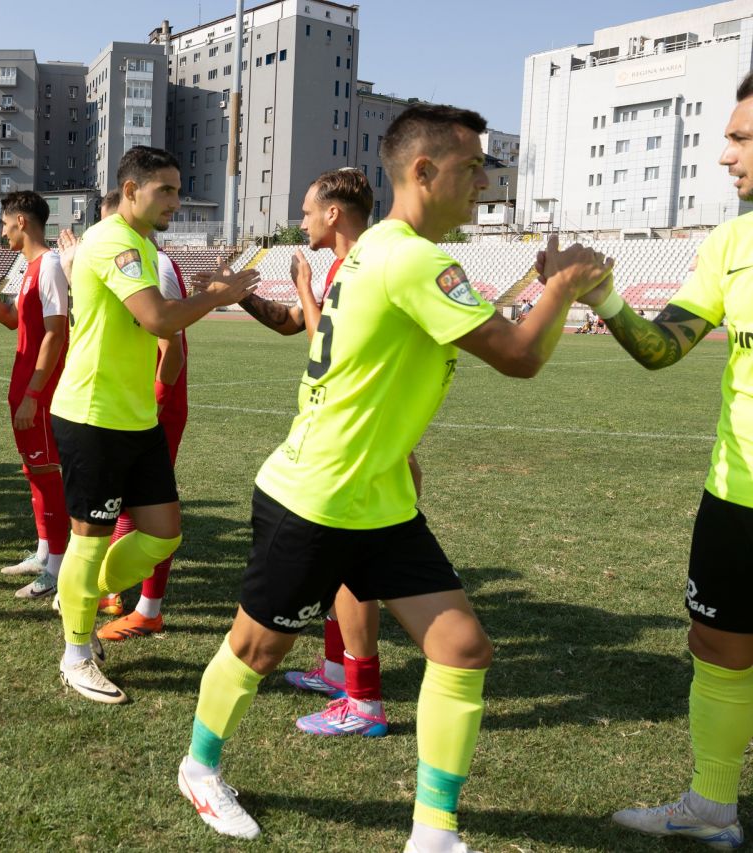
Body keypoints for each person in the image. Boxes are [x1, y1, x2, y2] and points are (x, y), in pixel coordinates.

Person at [176, 104, 613, 849]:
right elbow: (519, 355)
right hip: (315, 496)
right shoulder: (411, 256)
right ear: (423, 170)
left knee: (463, 647)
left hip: (379, 498)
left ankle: (434, 832)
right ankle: (199, 766)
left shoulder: (381, 248)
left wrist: (393, 439)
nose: (483, 180)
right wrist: (566, 284)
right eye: (473, 166)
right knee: (257, 649)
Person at [50, 145, 259, 705]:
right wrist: (218, 295)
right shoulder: (115, 240)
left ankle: (78, 598)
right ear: (130, 190)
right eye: (164, 190)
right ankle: (76, 653)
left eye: (177, 189)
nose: (175, 200)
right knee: (90, 539)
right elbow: (158, 319)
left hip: (134, 414)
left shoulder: (141, 243)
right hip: (93, 413)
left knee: (165, 532)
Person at [603, 72, 753, 850]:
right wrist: (605, 298)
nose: (726, 154)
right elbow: (663, 349)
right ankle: (714, 804)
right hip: (736, 491)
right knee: (718, 642)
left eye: (742, 138)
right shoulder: (730, 243)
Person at [226, 168, 404, 738]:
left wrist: (303, 290)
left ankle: (365, 698)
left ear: (334, 214)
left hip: (366, 451)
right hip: (350, 445)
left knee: (356, 576)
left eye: (306, 209)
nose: (300, 220)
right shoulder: (339, 267)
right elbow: (291, 326)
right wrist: (239, 293)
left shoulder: (370, 265)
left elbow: (331, 356)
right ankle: (336, 672)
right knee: (342, 570)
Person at [87, 187, 191, 642]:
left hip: (153, 403)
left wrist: (158, 397)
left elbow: (173, 346)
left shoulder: (155, 261)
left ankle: (148, 608)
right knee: (131, 502)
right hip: (128, 400)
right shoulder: (127, 252)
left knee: (153, 509)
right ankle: (115, 593)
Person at [0, 191, 70, 600]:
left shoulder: (49, 266)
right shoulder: (28, 267)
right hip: (24, 386)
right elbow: (13, 321)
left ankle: (58, 568)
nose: (3, 231)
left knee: (48, 475)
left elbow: (56, 333)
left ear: (22, 222)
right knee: (34, 472)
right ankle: (45, 552)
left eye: (5, 224)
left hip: (39, 390)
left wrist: (32, 394)